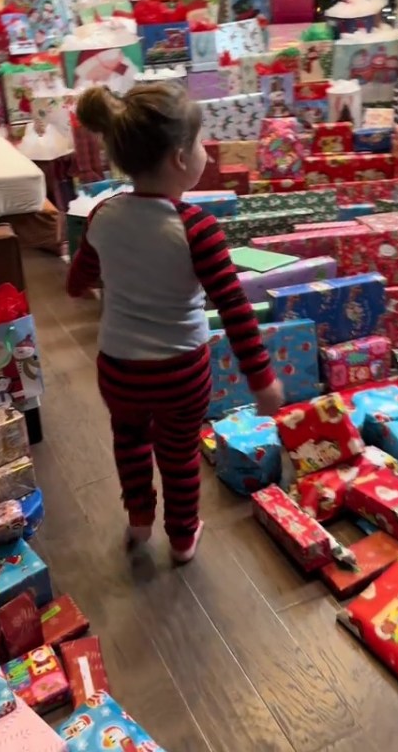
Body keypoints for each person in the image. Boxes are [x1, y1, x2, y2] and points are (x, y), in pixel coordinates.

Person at [67, 83, 284, 563]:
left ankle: (139, 521)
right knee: (179, 453)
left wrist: (93, 281)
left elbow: (77, 279)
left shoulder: (103, 215)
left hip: (118, 367)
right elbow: (233, 306)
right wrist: (262, 380)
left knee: (129, 441)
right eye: (202, 142)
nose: (206, 151)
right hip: (181, 371)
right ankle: (183, 538)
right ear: (180, 159)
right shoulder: (197, 228)